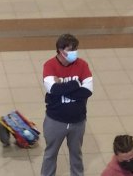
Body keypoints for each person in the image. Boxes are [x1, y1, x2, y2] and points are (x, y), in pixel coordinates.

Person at [41, 33, 94, 176]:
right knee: (50, 154)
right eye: (70, 49)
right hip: (55, 120)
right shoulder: (49, 66)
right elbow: (52, 89)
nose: (73, 53)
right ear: (60, 49)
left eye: (75, 49)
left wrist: (63, 87)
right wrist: (76, 83)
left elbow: (88, 91)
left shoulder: (82, 65)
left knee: (76, 155)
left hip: (78, 121)